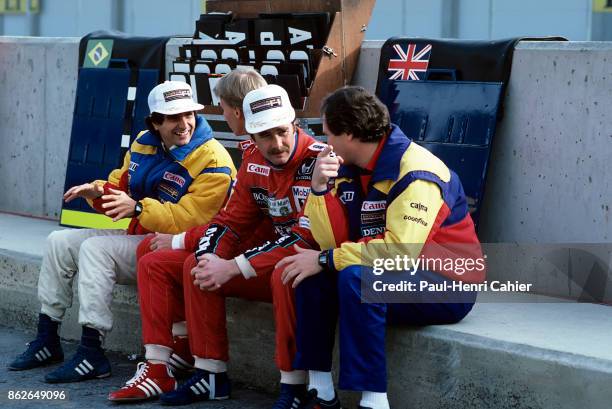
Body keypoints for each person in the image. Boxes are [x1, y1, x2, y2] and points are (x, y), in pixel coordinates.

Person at [109, 83, 323, 408]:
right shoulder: (253, 162)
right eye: (265, 136)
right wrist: (210, 256)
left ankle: (292, 387)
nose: (276, 143)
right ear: (252, 137)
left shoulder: (321, 162)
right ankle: (207, 374)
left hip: (315, 263)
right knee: (198, 264)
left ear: (294, 125)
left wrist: (232, 265)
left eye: (282, 132)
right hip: (262, 258)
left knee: (284, 273)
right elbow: (231, 222)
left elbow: (306, 240)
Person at [8, 81, 236, 384]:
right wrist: (97, 191)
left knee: (95, 249)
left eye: (189, 115)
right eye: (173, 118)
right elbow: (120, 187)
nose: (184, 124)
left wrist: (139, 209)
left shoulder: (213, 158)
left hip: (178, 247)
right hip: (142, 237)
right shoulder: (144, 141)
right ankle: (47, 337)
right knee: (58, 241)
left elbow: (191, 220)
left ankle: (92, 351)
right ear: (155, 122)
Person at [276, 86, 485, 409]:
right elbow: (330, 241)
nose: (326, 142)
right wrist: (318, 190)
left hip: (449, 283)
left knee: (357, 279)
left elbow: (401, 252)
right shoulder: (348, 166)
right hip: (389, 273)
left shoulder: (418, 172)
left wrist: (328, 258)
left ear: (349, 133)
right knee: (314, 277)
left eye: (329, 133)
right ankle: (321, 394)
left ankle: (374, 402)